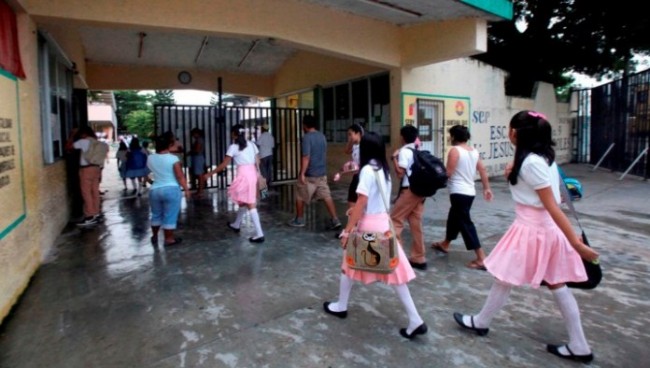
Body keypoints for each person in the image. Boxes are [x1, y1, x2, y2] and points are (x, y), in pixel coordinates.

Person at [452, 111, 599, 364]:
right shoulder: (541, 159)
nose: (509, 132)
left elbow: (553, 205)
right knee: (555, 284)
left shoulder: (532, 162)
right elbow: (554, 197)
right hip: (539, 229)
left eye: (511, 129)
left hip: (533, 231)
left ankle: (481, 322)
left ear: (517, 133)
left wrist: (576, 243)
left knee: (504, 277)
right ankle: (579, 345)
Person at [323, 131, 427, 340]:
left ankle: (341, 306)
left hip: (369, 227)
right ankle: (414, 319)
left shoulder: (367, 171)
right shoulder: (383, 170)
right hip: (382, 223)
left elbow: (361, 202)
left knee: (349, 265)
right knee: (389, 273)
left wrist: (347, 230)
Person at [431, 125, 493, 270]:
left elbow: (448, 172)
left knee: (465, 223)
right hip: (469, 192)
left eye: (450, 136)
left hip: (458, 192)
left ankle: (481, 257)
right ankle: (445, 243)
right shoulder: (473, 151)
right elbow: (482, 169)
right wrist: (486, 188)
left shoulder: (455, 151)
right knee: (454, 217)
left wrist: (433, 179)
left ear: (453, 137)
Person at [204, 124, 265, 243]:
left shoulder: (233, 147)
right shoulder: (252, 145)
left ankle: (259, 234)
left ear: (234, 134)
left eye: (231, 132)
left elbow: (224, 164)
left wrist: (210, 174)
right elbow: (259, 161)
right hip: (252, 174)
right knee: (243, 200)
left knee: (250, 204)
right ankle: (236, 224)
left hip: (243, 176)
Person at [287, 115, 341, 229]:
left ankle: (300, 219)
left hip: (310, 174)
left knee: (300, 196)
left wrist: (302, 173)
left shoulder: (307, 138)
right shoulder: (322, 136)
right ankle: (335, 219)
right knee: (327, 196)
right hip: (321, 173)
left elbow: (306, 157)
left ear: (305, 125)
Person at [390, 125, 427, 270]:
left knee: (395, 220)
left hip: (409, 190)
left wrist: (394, 158)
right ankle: (419, 257)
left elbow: (400, 173)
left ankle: (396, 257)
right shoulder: (419, 150)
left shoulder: (405, 152)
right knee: (415, 223)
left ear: (402, 137)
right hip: (420, 192)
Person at [147, 132, 190, 247]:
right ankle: (169, 239)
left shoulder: (150, 158)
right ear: (169, 145)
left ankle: (155, 236)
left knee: (156, 214)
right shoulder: (173, 159)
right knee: (170, 214)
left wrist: (150, 182)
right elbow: (180, 176)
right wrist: (186, 189)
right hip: (171, 189)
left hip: (155, 190)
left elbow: (148, 173)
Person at [65, 125, 102, 227]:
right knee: (95, 191)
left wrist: (72, 135)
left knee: (86, 192)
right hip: (96, 168)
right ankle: (96, 213)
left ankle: (89, 216)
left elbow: (68, 147)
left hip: (86, 169)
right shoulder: (96, 142)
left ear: (83, 133)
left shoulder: (83, 141)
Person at [333, 123, 363, 237]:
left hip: (360, 176)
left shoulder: (363, 146)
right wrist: (351, 140)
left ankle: (352, 230)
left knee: (353, 202)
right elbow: (346, 151)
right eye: (348, 135)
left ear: (358, 133)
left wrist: (343, 172)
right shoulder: (355, 145)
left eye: (350, 134)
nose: (349, 137)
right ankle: (353, 228)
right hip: (356, 175)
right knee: (352, 201)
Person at [256, 123, 275, 188]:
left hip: (263, 155)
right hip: (270, 155)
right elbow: (273, 146)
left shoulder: (262, 136)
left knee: (263, 170)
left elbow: (257, 144)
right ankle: (269, 182)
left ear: (263, 129)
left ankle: (264, 183)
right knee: (269, 169)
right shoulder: (271, 136)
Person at [189, 128, 206, 196]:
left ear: (197, 133)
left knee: (199, 175)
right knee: (199, 174)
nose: (193, 135)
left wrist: (190, 152)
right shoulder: (199, 139)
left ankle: (200, 190)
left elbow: (197, 150)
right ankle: (200, 190)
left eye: (193, 134)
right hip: (198, 157)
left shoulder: (199, 140)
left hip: (198, 158)